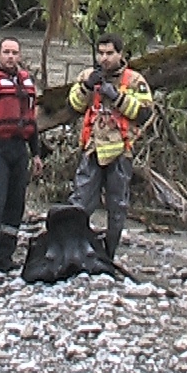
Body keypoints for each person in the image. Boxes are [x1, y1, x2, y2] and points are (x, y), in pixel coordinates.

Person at [67, 34, 153, 262]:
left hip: (120, 152)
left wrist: (116, 97)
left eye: (109, 53)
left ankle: (109, 254)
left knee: (117, 208)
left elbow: (144, 113)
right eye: (101, 53)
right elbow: (74, 105)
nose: (104, 58)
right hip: (92, 150)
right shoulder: (87, 75)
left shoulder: (135, 80)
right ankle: (74, 250)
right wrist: (87, 87)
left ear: (120, 54)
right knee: (81, 202)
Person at [0, 38, 45, 278]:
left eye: (14, 53)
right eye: (6, 52)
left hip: (18, 148)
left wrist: (36, 154)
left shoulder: (26, 83)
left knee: (15, 203)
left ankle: (4, 258)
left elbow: (31, 121)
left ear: (20, 56)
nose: (10, 57)